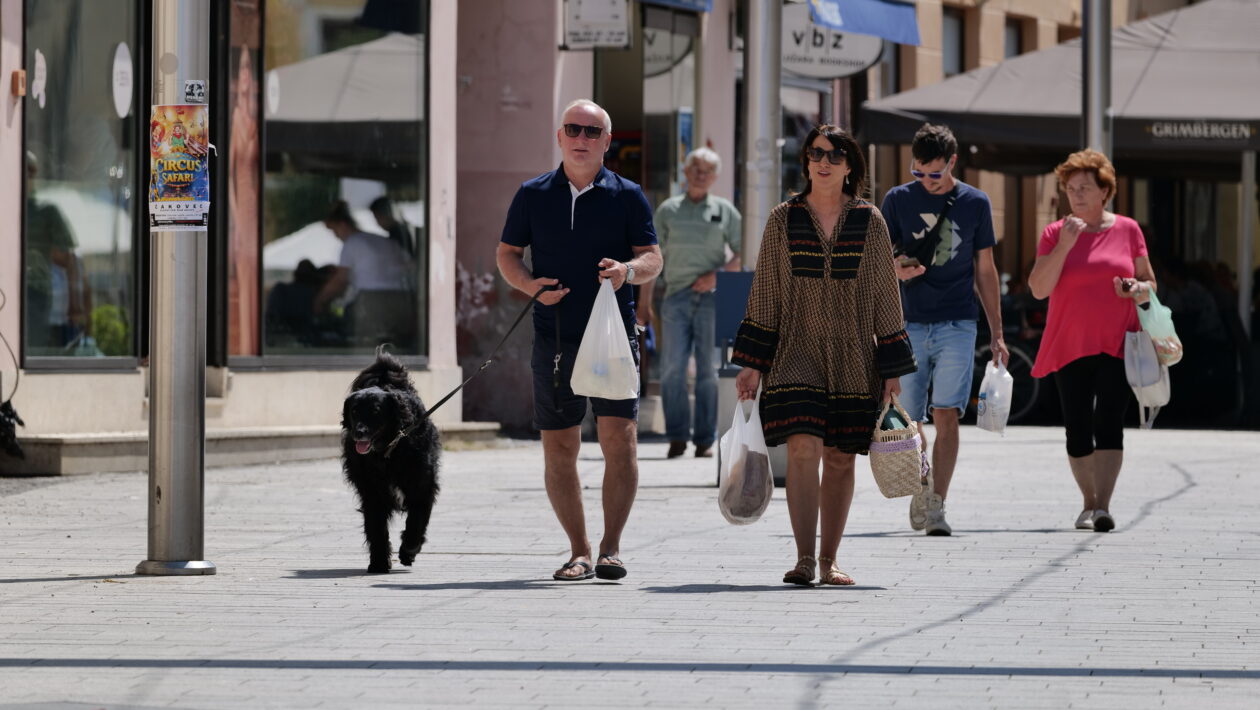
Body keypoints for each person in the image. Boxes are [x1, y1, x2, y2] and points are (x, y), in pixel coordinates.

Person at [732, 125, 916, 587]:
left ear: (850, 165)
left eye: (835, 155)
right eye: (816, 153)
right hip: (795, 350)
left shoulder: (870, 220)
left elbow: (883, 293)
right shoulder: (782, 218)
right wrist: (753, 361)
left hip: (855, 355)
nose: (824, 161)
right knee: (803, 448)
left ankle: (831, 559)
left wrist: (892, 368)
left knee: (839, 457)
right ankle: (804, 558)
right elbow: (766, 292)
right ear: (806, 162)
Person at [496, 99, 662, 582]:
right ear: (560, 136)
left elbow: (652, 257)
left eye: (593, 131)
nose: (583, 138)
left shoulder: (628, 195)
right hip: (555, 337)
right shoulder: (532, 194)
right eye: (574, 129)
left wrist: (627, 271)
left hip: (612, 337)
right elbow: (507, 253)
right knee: (560, 448)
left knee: (620, 441)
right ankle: (578, 550)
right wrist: (529, 287)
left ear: (607, 142)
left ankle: (611, 548)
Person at [881, 123, 1007, 537]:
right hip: (909, 321)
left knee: (946, 412)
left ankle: (936, 503)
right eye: (919, 173)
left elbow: (985, 269)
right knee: (911, 418)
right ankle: (922, 485)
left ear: (952, 163)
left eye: (935, 173)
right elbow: (879, 261)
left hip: (958, 320)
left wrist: (998, 334)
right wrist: (897, 267)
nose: (927, 182)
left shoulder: (975, 203)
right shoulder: (897, 200)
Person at [1028, 149, 1155, 533]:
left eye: (1085, 188)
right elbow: (1038, 288)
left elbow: (1150, 284)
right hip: (1071, 341)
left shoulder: (1129, 230)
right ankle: (1088, 501)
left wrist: (1135, 287)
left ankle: (1103, 505)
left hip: (1119, 341)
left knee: (1110, 420)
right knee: (1077, 424)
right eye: (1070, 189)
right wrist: (1065, 245)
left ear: (1105, 191)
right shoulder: (1055, 233)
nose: (1077, 195)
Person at [639, 147, 742, 459]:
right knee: (672, 369)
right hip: (675, 299)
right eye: (695, 167)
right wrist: (644, 304)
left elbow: (742, 252)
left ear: (715, 177)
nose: (700, 173)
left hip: (714, 299)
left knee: (709, 372)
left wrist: (719, 275)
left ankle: (705, 439)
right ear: (685, 172)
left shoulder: (726, 211)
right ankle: (677, 436)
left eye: (707, 169)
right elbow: (651, 259)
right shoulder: (668, 211)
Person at [313, 201, 416, 348]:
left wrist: (320, 300)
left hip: (372, 302)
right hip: (403, 300)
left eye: (334, 231)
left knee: (365, 345)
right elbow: (410, 266)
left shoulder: (352, 243)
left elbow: (341, 280)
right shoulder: (384, 241)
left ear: (342, 225)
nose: (336, 237)